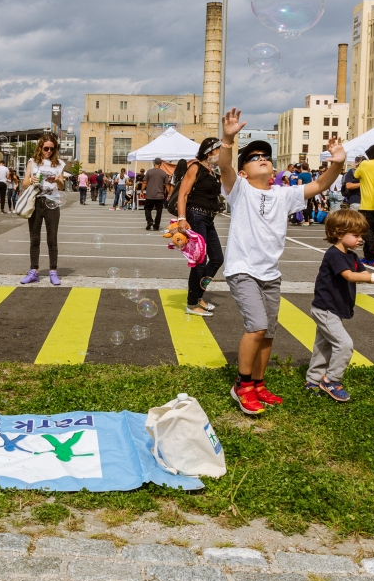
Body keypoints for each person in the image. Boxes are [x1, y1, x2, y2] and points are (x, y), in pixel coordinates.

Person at [217, 109, 346, 416]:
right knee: (257, 326)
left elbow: (321, 184)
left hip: (270, 274)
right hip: (242, 269)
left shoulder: (284, 195)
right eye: (254, 156)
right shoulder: (240, 190)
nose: (263, 157)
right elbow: (224, 166)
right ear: (244, 172)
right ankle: (242, 385)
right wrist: (227, 138)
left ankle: (259, 384)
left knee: (269, 332)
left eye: (266, 155)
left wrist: (338, 162)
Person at [307, 209, 374, 402]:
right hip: (325, 309)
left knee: (324, 346)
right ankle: (331, 380)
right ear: (338, 233)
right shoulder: (334, 255)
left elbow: (363, 275)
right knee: (344, 344)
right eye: (355, 235)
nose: (360, 239)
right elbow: (349, 275)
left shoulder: (351, 256)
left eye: (361, 235)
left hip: (334, 308)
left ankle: (313, 381)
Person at [175, 138, 225, 317]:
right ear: (210, 151)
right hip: (196, 216)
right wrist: (182, 218)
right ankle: (191, 303)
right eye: (220, 150)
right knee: (199, 262)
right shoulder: (195, 167)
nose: (222, 154)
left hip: (208, 219)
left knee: (218, 258)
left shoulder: (212, 172)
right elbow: (183, 193)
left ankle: (199, 296)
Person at [21, 135, 66, 285]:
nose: (48, 151)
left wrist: (57, 180)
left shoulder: (59, 164)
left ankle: (53, 271)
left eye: (51, 149)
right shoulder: (32, 162)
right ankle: (34, 271)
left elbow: (61, 187)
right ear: (40, 147)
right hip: (36, 201)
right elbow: (24, 184)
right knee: (34, 239)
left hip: (52, 201)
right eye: (46, 148)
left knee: (52, 239)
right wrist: (31, 180)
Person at [144, 158, 169, 231]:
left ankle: (149, 221)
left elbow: (145, 182)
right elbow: (167, 185)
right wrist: (170, 193)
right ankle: (156, 225)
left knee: (147, 208)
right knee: (159, 211)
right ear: (160, 164)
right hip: (160, 196)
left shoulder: (149, 172)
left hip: (150, 195)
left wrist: (142, 191)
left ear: (154, 163)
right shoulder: (163, 173)